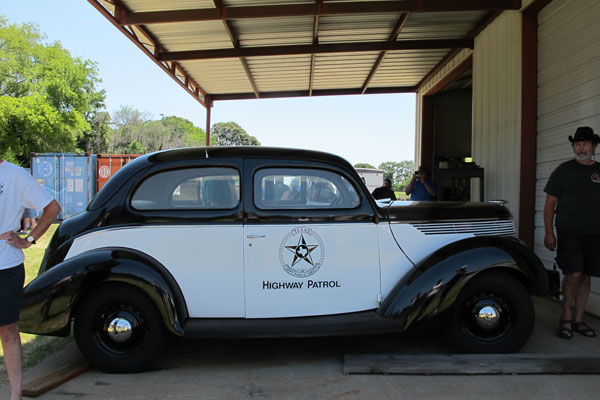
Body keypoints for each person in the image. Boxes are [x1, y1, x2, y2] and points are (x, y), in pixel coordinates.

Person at [0, 157, 61, 400]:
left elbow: (53, 208)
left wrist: (29, 240)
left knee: (8, 331)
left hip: (6, 266)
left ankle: (15, 395)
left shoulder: (15, 175)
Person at [543, 126, 600, 340]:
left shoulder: (599, 171)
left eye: (584, 143)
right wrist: (549, 232)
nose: (580, 147)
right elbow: (550, 204)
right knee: (573, 274)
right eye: (577, 144)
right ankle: (565, 317)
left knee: (585, 277)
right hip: (569, 231)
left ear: (593, 146)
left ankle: (578, 320)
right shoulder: (564, 170)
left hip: (595, 233)